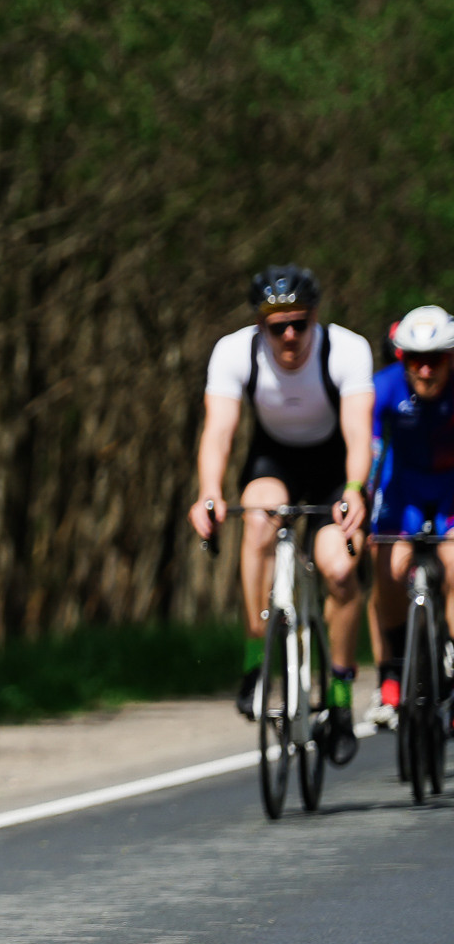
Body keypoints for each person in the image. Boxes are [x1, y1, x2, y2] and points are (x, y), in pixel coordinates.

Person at [190, 265, 372, 726]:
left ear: (315, 316)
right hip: (275, 461)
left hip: (336, 467)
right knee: (255, 518)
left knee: (340, 569)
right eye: (277, 327)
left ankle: (340, 690)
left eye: (300, 324)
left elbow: (358, 434)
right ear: (259, 326)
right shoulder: (233, 352)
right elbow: (218, 433)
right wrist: (209, 494)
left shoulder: (346, 350)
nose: (290, 336)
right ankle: (257, 658)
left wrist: (354, 491)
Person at [365, 304, 454, 725]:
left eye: (435, 359)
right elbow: (369, 449)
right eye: (415, 360)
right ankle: (395, 669)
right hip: (404, 492)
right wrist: (362, 498)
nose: (425, 370)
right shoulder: (382, 388)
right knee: (389, 568)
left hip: (452, 491)